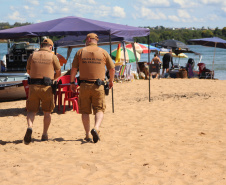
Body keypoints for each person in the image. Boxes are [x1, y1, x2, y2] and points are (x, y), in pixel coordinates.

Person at [70, 33, 115, 143]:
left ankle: (87, 134)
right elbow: (112, 68)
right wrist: (111, 81)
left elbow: (74, 69)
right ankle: (96, 128)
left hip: (84, 85)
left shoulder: (80, 52)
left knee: (85, 111)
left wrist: (72, 82)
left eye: (86, 39)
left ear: (89, 39)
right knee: (99, 109)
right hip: (98, 86)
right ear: (96, 40)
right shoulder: (103, 52)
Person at [23, 38, 61, 144]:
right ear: (50, 47)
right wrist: (52, 78)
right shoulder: (53, 56)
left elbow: (28, 70)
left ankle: (30, 126)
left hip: (33, 86)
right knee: (47, 112)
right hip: (47, 87)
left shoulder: (32, 55)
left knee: (31, 110)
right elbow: (58, 72)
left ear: (41, 45)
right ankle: (44, 134)